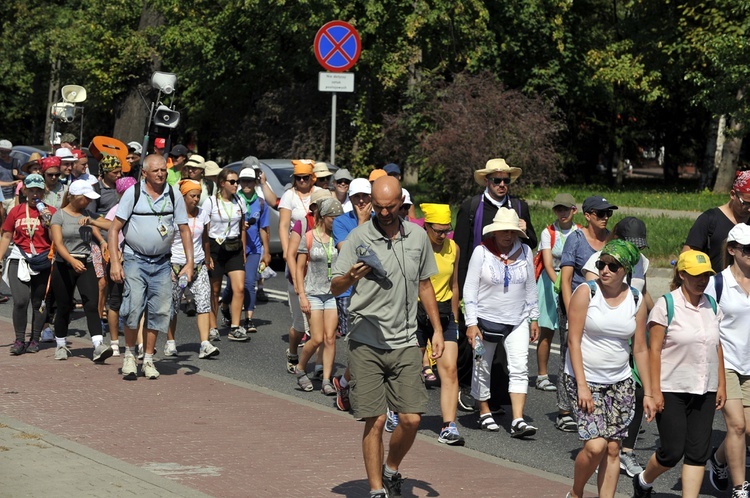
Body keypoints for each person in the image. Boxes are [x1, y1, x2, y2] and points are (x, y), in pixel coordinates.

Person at [330, 176, 444, 498]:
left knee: (410, 418)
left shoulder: (419, 237)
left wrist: (436, 330)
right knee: (376, 419)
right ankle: (377, 490)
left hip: (406, 340)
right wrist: (348, 278)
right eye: (378, 207)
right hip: (366, 340)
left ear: (401, 203)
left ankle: (391, 468)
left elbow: (425, 286)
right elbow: (335, 285)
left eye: (389, 207)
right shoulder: (358, 237)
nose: (382, 212)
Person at [564, 240, 655, 498]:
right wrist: (582, 386)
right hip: (585, 379)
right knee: (595, 447)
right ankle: (577, 491)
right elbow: (573, 341)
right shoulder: (586, 292)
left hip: (620, 382)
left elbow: (640, 349)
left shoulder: (636, 299)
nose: (604, 270)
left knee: (614, 449)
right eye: (601, 264)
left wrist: (648, 392)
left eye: (612, 266)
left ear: (625, 269)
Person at [633, 250, 726, 498]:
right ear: (682, 274)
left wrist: (721, 385)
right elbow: (653, 351)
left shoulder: (712, 305)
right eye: (696, 275)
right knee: (672, 452)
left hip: (705, 389)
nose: (702, 280)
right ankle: (643, 479)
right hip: (671, 388)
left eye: (706, 275)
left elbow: (717, 346)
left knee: (698, 453)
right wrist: (653, 392)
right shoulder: (667, 304)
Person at [453, 158, 537, 410]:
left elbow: (529, 244)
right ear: (487, 181)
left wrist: (526, 229)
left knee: (503, 350)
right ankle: (467, 389)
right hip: (477, 283)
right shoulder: (472, 206)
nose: (502, 185)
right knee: (472, 346)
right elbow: (460, 249)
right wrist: (459, 291)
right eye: (497, 180)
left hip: (508, 288)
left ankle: (495, 399)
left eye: (506, 181)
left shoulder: (519, 207)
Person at [108, 154, 194, 380]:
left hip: (162, 261)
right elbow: (114, 228)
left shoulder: (173, 193)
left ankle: (148, 359)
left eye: (163, 170)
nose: (161, 174)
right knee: (133, 306)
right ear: (144, 173)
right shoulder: (132, 193)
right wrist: (115, 262)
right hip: (135, 258)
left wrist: (189, 263)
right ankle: (129, 355)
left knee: (159, 310)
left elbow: (184, 229)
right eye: (155, 171)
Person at [581, 216, 655, 478]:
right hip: (598, 340)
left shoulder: (640, 262)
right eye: (629, 244)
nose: (636, 251)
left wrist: (658, 316)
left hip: (630, 339)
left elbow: (642, 293)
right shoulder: (600, 260)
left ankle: (627, 452)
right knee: (599, 440)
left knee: (638, 391)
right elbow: (592, 291)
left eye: (640, 246)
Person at [464, 207, 539, 437]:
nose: (508, 236)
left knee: (519, 367)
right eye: (504, 231)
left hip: (517, 319)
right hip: (485, 320)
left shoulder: (525, 251)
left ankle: (517, 419)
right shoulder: (481, 252)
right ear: (494, 232)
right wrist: (471, 322)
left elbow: (530, 287)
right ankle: (484, 410)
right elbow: (470, 289)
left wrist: (534, 317)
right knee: (482, 365)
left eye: (513, 231)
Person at [556, 195, 617, 432]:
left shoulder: (611, 239)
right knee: (569, 353)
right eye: (601, 214)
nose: (605, 218)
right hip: (575, 305)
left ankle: (601, 404)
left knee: (598, 352)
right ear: (588, 215)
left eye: (608, 214)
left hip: (602, 307)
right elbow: (567, 279)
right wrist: (571, 311)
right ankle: (564, 410)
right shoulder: (576, 239)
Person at [704, 224, 750, 497]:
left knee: (747, 431)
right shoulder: (717, 283)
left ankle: (718, 460)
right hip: (726, 363)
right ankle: (740, 487)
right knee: (736, 426)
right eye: (747, 249)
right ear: (732, 250)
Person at [49, 180, 113, 362]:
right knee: (63, 306)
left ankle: (98, 345)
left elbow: (111, 225)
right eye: (86, 198)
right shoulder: (59, 216)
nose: (88, 202)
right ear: (75, 197)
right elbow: (58, 243)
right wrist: (71, 260)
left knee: (91, 304)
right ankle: (61, 345)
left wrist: (93, 221)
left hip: (87, 262)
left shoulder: (88, 213)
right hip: (64, 263)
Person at [418, 203, 464, 445]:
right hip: (417, 313)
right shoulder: (416, 247)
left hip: (445, 314)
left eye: (448, 229)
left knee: (449, 370)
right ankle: (396, 411)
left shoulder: (453, 248)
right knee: (409, 369)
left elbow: (455, 285)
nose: (444, 235)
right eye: (439, 230)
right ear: (426, 227)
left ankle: (448, 425)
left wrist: (454, 317)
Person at [293, 197, 344, 394]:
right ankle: (300, 368)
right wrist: (302, 296)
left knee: (330, 338)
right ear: (323, 217)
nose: (337, 221)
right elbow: (299, 268)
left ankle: (326, 380)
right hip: (313, 293)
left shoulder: (338, 238)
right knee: (316, 339)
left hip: (331, 294)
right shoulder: (309, 237)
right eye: (334, 217)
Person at [0, 174, 55, 355]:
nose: (34, 194)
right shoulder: (16, 211)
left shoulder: (51, 211)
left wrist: (49, 223)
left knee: (38, 302)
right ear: (24, 191)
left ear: (44, 192)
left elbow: (56, 239)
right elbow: (7, 235)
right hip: (20, 257)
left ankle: (35, 339)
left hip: (43, 259)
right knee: (21, 300)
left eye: (38, 190)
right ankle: (19, 339)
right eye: (31, 190)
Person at [164, 179, 219, 359]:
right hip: (175, 265)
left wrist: (208, 257)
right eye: (192, 196)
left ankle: (204, 344)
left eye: (198, 196)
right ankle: (170, 342)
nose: (196, 199)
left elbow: (205, 239)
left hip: (198, 264)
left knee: (204, 302)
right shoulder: (172, 215)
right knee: (173, 305)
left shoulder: (203, 214)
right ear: (183, 196)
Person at [331, 177, 373, 411]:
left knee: (374, 346)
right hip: (349, 290)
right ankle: (347, 385)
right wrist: (363, 222)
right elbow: (348, 252)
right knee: (358, 346)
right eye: (356, 196)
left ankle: (345, 382)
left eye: (364, 197)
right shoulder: (341, 222)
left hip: (376, 291)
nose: (360, 201)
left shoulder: (381, 221)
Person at [535, 193, 579, 392]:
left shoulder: (579, 232)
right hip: (551, 282)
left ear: (574, 211)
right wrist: (560, 286)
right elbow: (547, 263)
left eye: (566, 209)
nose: (562, 213)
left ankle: (572, 372)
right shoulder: (548, 232)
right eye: (558, 209)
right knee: (547, 330)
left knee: (572, 330)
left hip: (573, 282)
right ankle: (542, 375)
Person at [279, 160, 320, 372]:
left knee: (320, 321)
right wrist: (288, 255)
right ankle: (293, 351)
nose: (302, 181)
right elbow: (284, 225)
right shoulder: (289, 196)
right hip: (296, 257)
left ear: (312, 177)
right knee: (300, 323)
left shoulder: (321, 194)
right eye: (298, 178)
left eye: (305, 177)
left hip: (318, 258)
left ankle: (320, 365)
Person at [219, 167, 270, 333]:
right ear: (239, 183)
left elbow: (264, 228)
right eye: (243, 181)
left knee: (249, 282)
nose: (247, 184)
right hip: (235, 248)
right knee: (234, 286)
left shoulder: (261, 203)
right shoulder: (235, 199)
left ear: (255, 182)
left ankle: (248, 319)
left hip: (254, 248)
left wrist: (267, 251)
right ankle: (225, 305)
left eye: (250, 180)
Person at [205, 168, 248, 341]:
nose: (236, 185)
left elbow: (242, 227)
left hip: (234, 246)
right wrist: (206, 255)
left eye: (237, 181)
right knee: (214, 290)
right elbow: (205, 230)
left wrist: (243, 250)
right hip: (215, 247)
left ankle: (235, 327)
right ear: (222, 183)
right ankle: (212, 326)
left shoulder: (240, 201)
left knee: (239, 288)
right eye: (232, 182)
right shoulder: (211, 202)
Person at [683, 170, 750, 272]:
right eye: (746, 203)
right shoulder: (709, 220)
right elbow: (686, 259)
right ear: (733, 194)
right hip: (713, 285)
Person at [0, 139, 20, 215]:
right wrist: (11, 183)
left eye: (6, 152)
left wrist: (17, 175)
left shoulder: (16, 162)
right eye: (1, 151)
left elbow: (22, 177)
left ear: (10, 152)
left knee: (11, 218)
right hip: (1, 196)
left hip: (12, 196)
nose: (3, 154)